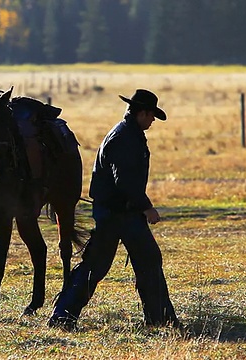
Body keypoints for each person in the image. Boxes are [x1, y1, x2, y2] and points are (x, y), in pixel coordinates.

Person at [48, 89, 180, 331]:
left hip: (120, 212)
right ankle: (62, 316)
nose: (152, 121)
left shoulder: (129, 133)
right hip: (119, 214)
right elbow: (126, 182)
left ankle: (159, 317)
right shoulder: (125, 138)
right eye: (151, 116)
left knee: (135, 261)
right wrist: (147, 207)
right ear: (142, 113)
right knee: (102, 265)